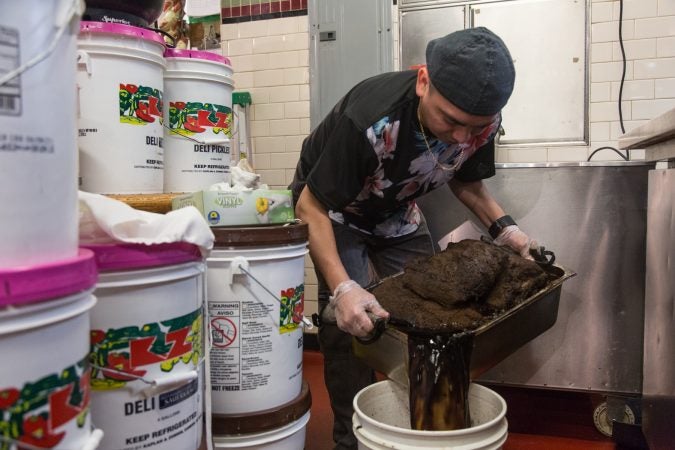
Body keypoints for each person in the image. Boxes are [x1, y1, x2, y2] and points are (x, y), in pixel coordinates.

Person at [289, 27, 538, 449]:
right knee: (351, 324)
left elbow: (469, 184)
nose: (462, 137)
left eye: (474, 128)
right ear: (423, 81)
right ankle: (352, 439)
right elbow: (310, 207)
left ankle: (424, 427)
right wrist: (345, 288)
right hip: (333, 211)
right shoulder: (371, 118)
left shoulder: (481, 121)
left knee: (436, 315)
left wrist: (506, 229)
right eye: (451, 121)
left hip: (395, 211)